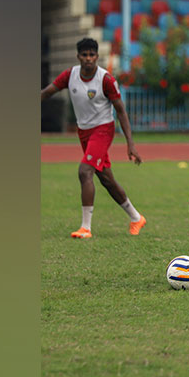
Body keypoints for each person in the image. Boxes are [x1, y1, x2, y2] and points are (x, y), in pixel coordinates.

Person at [41, 38, 146, 238]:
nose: (88, 58)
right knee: (106, 179)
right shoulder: (70, 75)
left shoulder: (105, 80)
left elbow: (121, 111)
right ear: (78, 56)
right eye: (84, 55)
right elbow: (47, 92)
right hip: (84, 132)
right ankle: (136, 217)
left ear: (97, 57)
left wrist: (130, 144)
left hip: (103, 130)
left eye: (92, 55)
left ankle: (85, 228)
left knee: (84, 171)